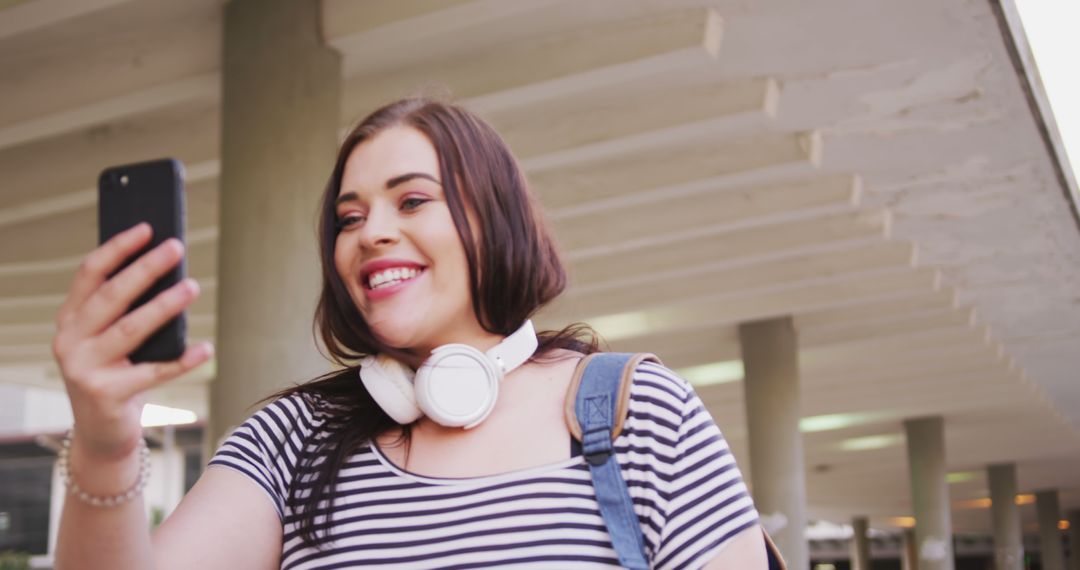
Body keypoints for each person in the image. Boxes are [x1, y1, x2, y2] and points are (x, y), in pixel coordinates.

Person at [51, 99, 770, 569]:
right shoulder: (289, 440)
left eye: (413, 200)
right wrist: (106, 441)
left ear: (496, 220)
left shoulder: (637, 413)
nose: (374, 233)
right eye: (350, 216)